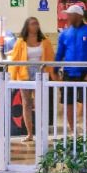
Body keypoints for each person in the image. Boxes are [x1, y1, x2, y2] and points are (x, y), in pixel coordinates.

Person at [7, 16, 52, 144]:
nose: (35, 26)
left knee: (40, 103)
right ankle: (30, 133)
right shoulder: (21, 41)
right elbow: (15, 59)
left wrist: (52, 74)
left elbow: (50, 58)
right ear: (27, 26)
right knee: (26, 103)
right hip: (24, 74)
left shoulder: (45, 40)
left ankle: (41, 131)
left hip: (40, 72)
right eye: (32, 24)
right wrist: (12, 78)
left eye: (36, 23)